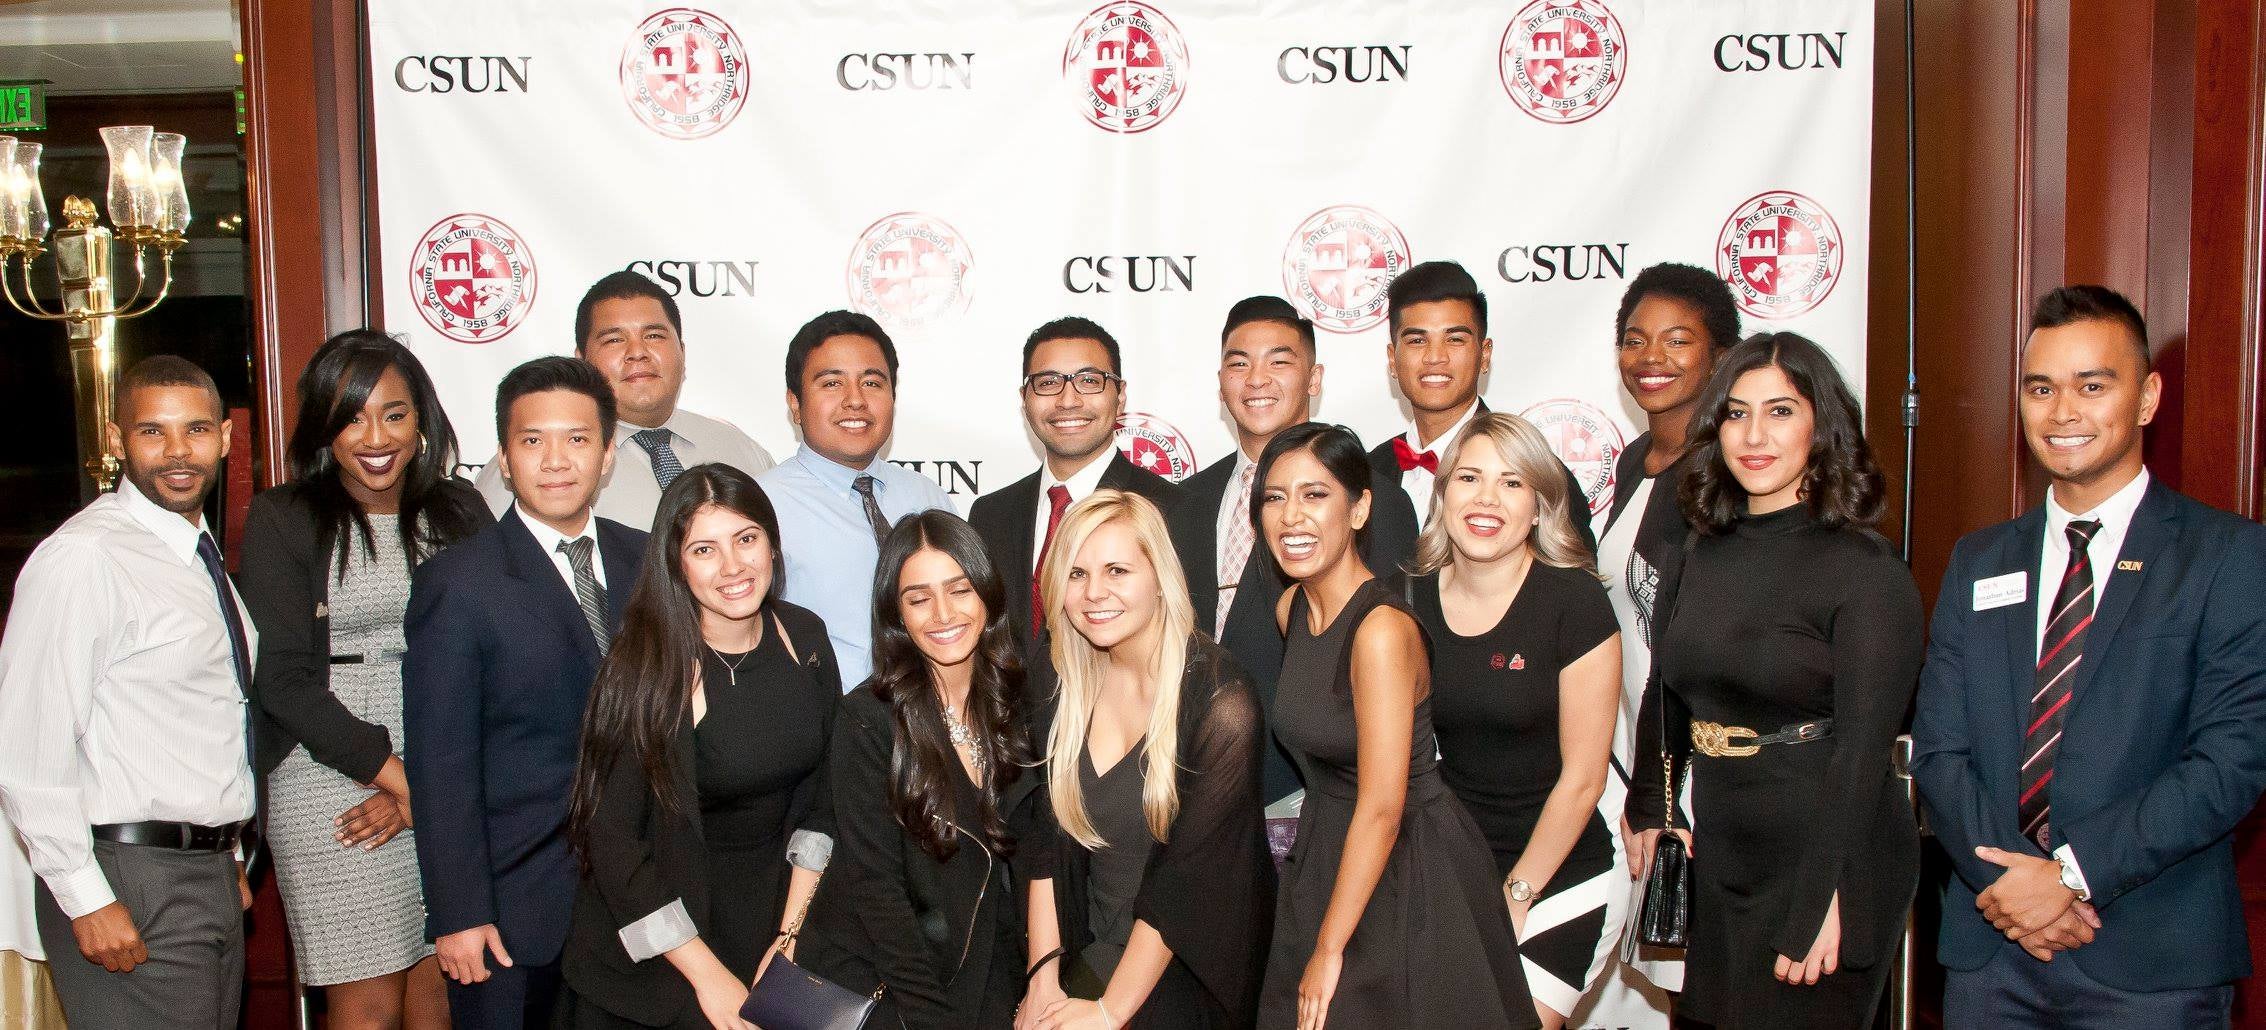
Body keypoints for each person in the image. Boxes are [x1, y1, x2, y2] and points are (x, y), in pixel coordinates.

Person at [1913, 286, 2266, 1028]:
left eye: (2092, 385)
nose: (2062, 411)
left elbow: (2233, 759)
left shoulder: (2228, 556)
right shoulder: (1979, 561)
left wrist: (2071, 876)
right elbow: (1942, 754)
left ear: (2146, 398)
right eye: (2041, 388)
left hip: (2151, 962)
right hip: (1993, 952)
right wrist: (2015, 891)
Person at [1626, 332, 1921, 1028]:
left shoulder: (1865, 569)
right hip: (1724, 852)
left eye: (1781, 412)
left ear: (1824, 426)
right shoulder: (1697, 547)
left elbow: (1863, 753)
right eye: (1735, 412)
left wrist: (1825, 897)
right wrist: (1651, 804)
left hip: (1828, 853)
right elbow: (1667, 688)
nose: (1754, 434)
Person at [240, 330, 489, 1029]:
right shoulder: (283, 517)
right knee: (367, 1007)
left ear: (423, 421)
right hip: (331, 780)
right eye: (352, 416)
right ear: (326, 425)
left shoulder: (460, 510)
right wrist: (406, 784)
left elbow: (497, 655)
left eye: (395, 413)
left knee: (438, 995)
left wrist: (428, 793)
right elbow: (284, 681)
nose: (374, 436)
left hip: (442, 766)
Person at [1251, 423, 1536, 1030]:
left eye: (1315, 495)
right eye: (1275, 497)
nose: (1291, 516)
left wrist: (1329, 950)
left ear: (1359, 508)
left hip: (1408, 868)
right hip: (1324, 854)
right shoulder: (1291, 609)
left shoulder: (1380, 631)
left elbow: (1383, 804)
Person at [0, 356, 257, 1027]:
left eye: (196, 430)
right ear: (117, 441)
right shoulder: (84, 558)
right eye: (152, 432)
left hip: (201, 874)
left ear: (225, 438)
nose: (178, 452)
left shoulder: (196, 557)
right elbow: (27, 744)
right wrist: (86, 896)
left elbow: (204, 719)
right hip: (127, 877)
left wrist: (224, 853)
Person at [405, 356, 648, 1029]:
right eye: (532, 441)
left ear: (605, 456)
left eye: (577, 439)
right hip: (515, 909)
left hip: (642, 903)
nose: (556, 460)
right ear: (505, 460)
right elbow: (440, 766)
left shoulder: (651, 560)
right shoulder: (458, 583)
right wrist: (458, 914)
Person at [556, 464, 843, 1029]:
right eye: (705, 549)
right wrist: (707, 976)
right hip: (658, 949)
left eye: (746, 539)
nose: (733, 567)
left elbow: (823, 802)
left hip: (771, 920)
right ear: (675, 563)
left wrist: (788, 938)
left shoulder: (805, 637)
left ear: (773, 542)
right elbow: (612, 841)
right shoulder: (645, 667)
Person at [1393, 412, 1621, 1029]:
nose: (1487, 498)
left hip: (1559, 867)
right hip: (1455, 867)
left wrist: (1518, 893)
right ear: (1442, 496)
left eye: (1513, 482)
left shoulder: (1574, 602)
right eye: (1469, 477)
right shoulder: (1410, 600)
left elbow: (1583, 780)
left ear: (1541, 506)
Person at [1017, 491, 1273, 1030]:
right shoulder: (1058, 674)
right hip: (1091, 949)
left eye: (1117, 570)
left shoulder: (1220, 700)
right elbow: (1045, 840)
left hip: (1185, 966)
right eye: (1076, 574)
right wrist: (1043, 977)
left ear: (1160, 575)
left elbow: (1187, 883)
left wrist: (1110, 1013)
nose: (1094, 594)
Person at [1164, 297, 1419, 807]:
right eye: (1239, 363)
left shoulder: (1371, 498)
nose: (1256, 379)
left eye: (1279, 361)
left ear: (1314, 378)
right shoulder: (1183, 500)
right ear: (1221, 381)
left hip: (1308, 792)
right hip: (1188, 781)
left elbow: (1379, 659)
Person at [797, 511, 1039, 1030]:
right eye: (919, 598)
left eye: (960, 589)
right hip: (896, 982)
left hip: (994, 966)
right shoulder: (868, 721)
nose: (943, 613)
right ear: (896, 616)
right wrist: (930, 1018)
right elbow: (875, 889)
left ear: (988, 595)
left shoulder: (1018, 703)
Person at [477, 271, 776, 530]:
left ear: (682, 352)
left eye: (655, 336)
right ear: (581, 360)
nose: (638, 352)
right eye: (615, 340)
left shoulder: (740, 450)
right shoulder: (530, 468)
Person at [759, 310, 956, 688]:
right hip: (825, 730)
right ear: (795, 403)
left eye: (872, 382)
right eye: (832, 383)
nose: (855, 400)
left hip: (937, 720)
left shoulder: (927, 496)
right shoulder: (762, 509)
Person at [969, 317, 1185, 643]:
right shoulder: (990, 514)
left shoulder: (1173, 508)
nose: (1068, 400)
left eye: (1088, 380)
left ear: (1120, 394)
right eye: (1048, 382)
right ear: (1025, 397)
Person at [1368, 261, 1595, 553]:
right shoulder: (1369, 470)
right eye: (1416, 340)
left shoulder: (1534, 472)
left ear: (1485, 355)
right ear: (1392, 359)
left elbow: (1573, 585)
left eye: (1455, 339)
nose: (1435, 356)